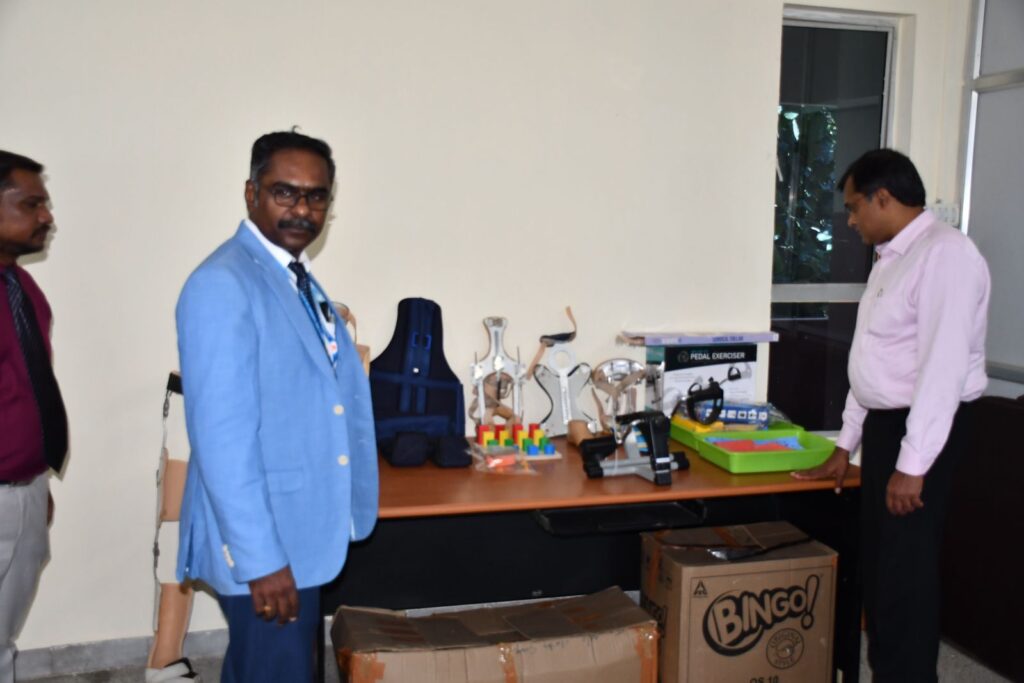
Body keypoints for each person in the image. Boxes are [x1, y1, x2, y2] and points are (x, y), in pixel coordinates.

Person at [175, 131, 378, 682]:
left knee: (268, 670)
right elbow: (222, 439)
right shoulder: (223, 283)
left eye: (317, 196)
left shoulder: (291, 275)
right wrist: (261, 559)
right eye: (284, 192)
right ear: (251, 193)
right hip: (268, 542)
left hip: (299, 527)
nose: (302, 209)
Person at [794, 148, 990, 682]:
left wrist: (913, 465)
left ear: (883, 198)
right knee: (881, 569)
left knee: (905, 575)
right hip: (889, 427)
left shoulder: (945, 255)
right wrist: (845, 444)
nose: (851, 220)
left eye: (854, 207)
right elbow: (874, 362)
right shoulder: (893, 259)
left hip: (924, 431)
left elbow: (942, 369)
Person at [0, 150, 68, 683]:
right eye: (31, 204)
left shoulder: (20, 287)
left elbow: (28, 388)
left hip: (23, 489)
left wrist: (35, 480)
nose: (47, 217)